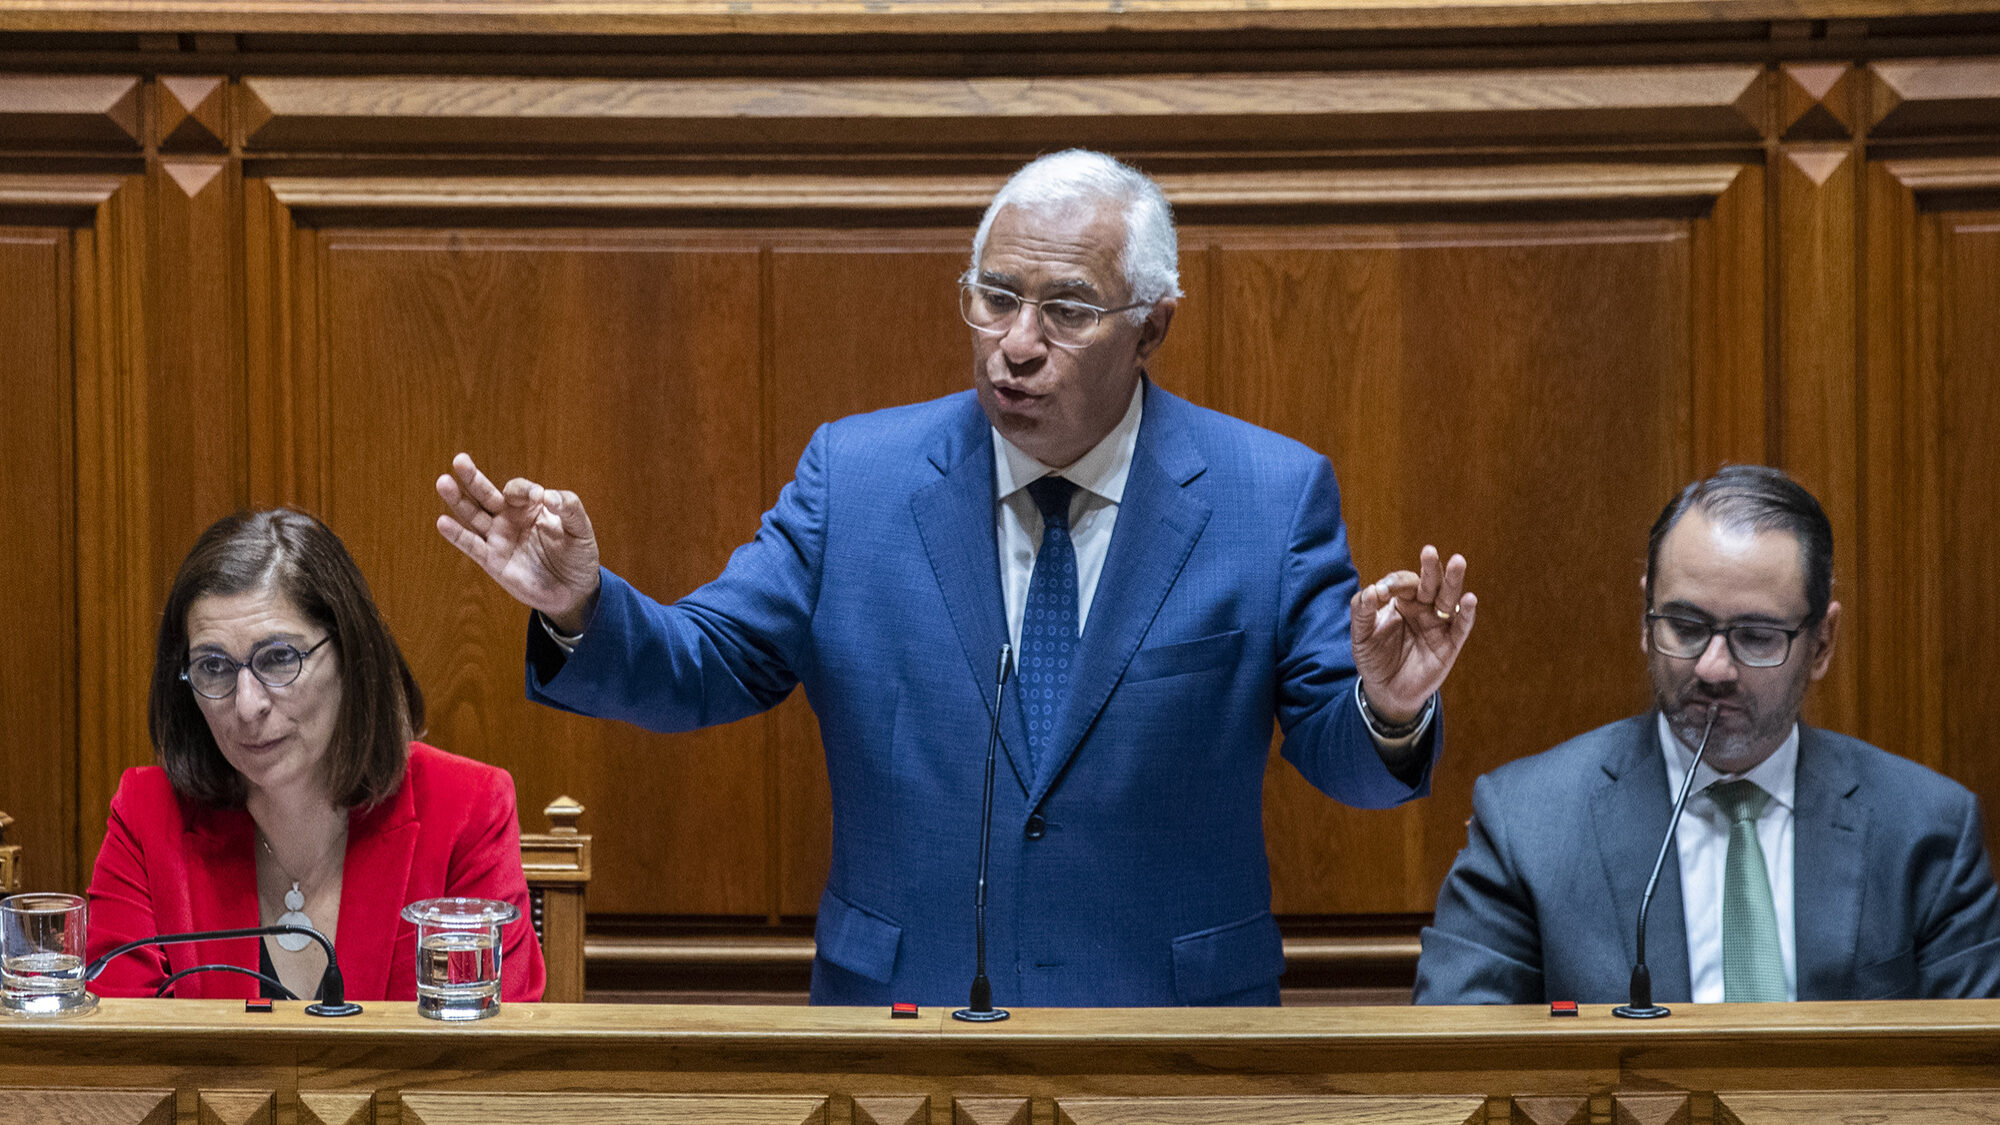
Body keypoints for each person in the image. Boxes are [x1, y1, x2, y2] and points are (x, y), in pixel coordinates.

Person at [437, 149, 1476, 1007]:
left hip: (1171, 1036)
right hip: (903, 1020)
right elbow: (706, 666)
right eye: (994, 299)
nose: (1015, 346)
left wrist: (1385, 708)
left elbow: (1339, 762)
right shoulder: (857, 478)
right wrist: (579, 603)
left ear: (1153, 323)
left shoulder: (1268, 494)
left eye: (1066, 309)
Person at [1415, 465, 2000, 1005]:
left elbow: (1973, 1077)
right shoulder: (1528, 823)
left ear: (1821, 643)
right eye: (1686, 626)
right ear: (1646, 620)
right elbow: (1453, 1063)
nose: (1713, 668)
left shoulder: (1927, 832)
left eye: (1757, 635)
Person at [87, 509, 546, 1002]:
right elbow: (120, 1048)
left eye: (280, 657)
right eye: (214, 666)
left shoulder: (466, 809)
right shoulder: (147, 814)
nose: (248, 705)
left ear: (350, 653)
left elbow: (493, 1052)